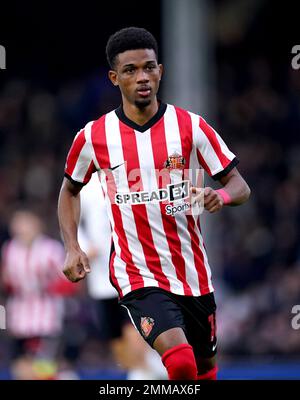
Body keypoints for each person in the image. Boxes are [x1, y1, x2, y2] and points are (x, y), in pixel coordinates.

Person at [58, 27, 251, 380]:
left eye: (149, 67)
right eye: (131, 70)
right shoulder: (94, 136)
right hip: (137, 274)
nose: (142, 77)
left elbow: (239, 185)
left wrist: (219, 196)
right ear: (115, 78)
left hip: (193, 273)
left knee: (204, 370)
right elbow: (69, 190)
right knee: (179, 363)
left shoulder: (191, 127)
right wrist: (72, 247)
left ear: (160, 71)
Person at [78, 173, 165, 379]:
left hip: (132, 272)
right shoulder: (84, 187)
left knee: (135, 328)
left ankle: (145, 370)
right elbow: (73, 222)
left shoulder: (132, 178)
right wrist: (82, 247)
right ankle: (146, 369)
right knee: (116, 340)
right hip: (100, 277)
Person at [1, 208, 76, 379]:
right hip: (18, 319)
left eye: (25, 223)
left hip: (47, 319)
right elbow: (8, 284)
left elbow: (69, 283)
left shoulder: (51, 249)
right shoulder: (10, 249)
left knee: (43, 369)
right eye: (18, 223)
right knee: (20, 368)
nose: (21, 228)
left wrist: (46, 288)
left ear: (37, 225)